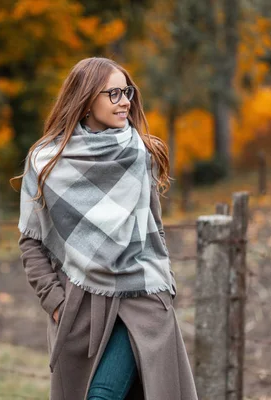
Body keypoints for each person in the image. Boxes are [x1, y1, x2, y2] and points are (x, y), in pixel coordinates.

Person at [12, 57, 198, 400]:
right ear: (85, 100)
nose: (125, 100)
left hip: (143, 298)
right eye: (113, 93)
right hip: (82, 306)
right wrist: (55, 301)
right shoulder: (46, 162)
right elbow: (31, 241)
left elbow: (154, 227)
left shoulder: (140, 153)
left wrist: (165, 284)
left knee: (103, 396)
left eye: (126, 91)